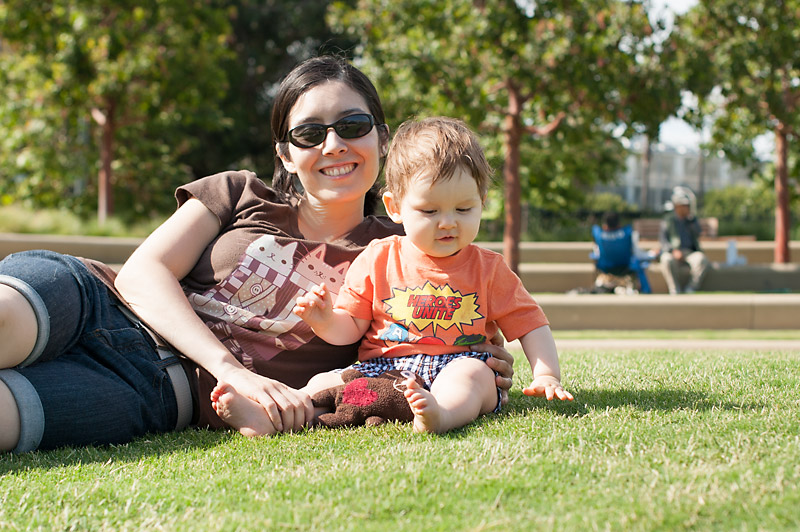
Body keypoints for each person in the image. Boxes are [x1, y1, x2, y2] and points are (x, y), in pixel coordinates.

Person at [0, 55, 516, 453]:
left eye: (353, 126)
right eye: (310, 133)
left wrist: (475, 363)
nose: (333, 144)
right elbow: (141, 275)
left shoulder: (406, 252)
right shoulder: (239, 192)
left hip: (163, 393)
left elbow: (458, 322)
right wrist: (233, 369)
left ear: (382, 138)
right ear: (285, 155)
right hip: (96, 301)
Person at [214, 117, 573, 435]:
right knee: (333, 385)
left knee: (474, 380)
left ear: (481, 201)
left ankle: (440, 415)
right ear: (395, 207)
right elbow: (350, 327)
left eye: (464, 209)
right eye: (430, 210)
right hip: (386, 371)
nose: (448, 222)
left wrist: (545, 375)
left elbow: (529, 323)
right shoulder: (379, 257)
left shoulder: (489, 268)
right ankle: (272, 418)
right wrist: (323, 319)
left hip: (459, 361)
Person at [659, 187, 710, 295]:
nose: (687, 208)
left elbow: (698, 233)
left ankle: (691, 288)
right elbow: (663, 241)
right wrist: (673, 251)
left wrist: (691, 221)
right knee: (665, 260)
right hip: (674, 252)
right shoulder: (668, 221)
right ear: (677, 206)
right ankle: (674, 289)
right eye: (684, 206)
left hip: (689, 252)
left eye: (687, 205)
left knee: (701, 259)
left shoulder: (691, 220)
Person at [590, 211, 654, 294]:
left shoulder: (599, 235)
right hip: (626, 268)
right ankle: (646, 292)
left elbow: (596, 254)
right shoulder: (627, 233)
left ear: (605, 225)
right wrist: (651, 254)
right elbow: (637, 254)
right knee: (638, 263)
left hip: (605, 268)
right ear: (619, 224)